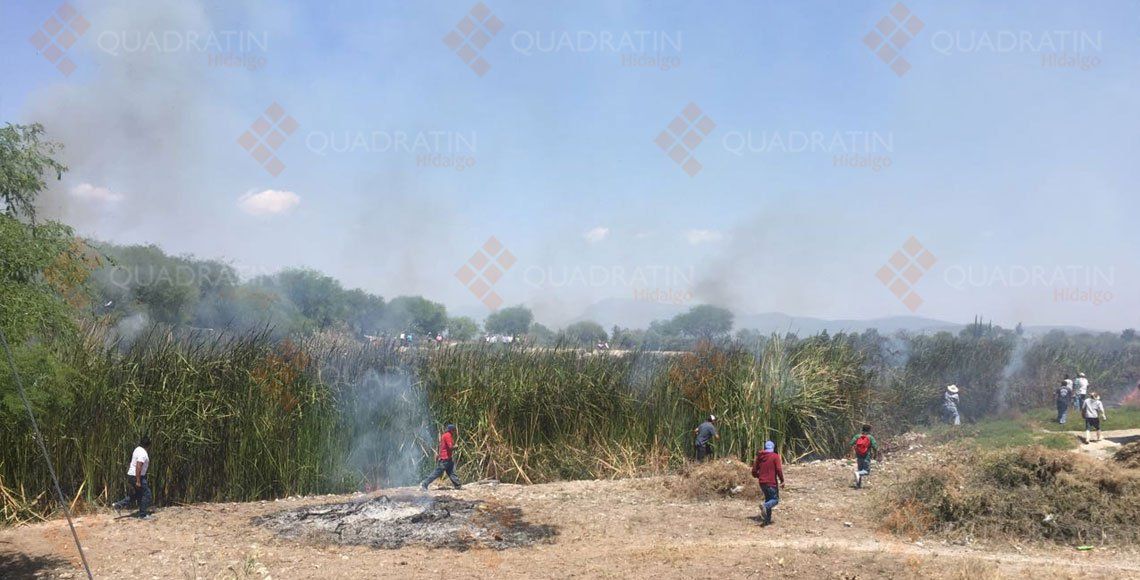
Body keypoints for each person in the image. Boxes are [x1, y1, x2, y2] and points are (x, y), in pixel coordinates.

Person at [112, 435, 152, 519]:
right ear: (148, 445)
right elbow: (138, 466)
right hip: (137, 476)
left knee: (138, 494)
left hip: (131, 475)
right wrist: (138, 480)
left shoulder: (137, 449)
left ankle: (118, 505)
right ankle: (143, 515)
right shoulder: (143, 453)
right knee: (146, 494)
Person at [750, 440, 784, 526]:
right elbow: (779, 469)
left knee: (768, 499)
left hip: (762, 483)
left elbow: (754, 470)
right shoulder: (775, 456)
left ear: (765, 448)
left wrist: (759, 476)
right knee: (775, 500)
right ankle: (764, 506)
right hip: (771, 482)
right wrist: (782, 480)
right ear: (772, 448)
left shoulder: (759, 457)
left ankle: (767, 520)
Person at [420, 424, 462, 490]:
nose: (454, 432)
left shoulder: (445, 435)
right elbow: (450, 447)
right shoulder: (448, 436)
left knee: (451, 472)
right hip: (445, 458)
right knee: (437, 473)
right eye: (454, 430)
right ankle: (424, 484)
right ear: (452, 430)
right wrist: (456, 446)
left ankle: (458, 485)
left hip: (447, 458)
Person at [850, 424, 878, 489]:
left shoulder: (857, 436)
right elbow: (875, 447)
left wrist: (855, 448)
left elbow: (851, 443)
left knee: (860, 469)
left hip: (859, 455)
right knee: (866, 471)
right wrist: (875, 454)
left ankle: (858, 485)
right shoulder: (870, 437)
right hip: (866, 456)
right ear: (869, 430)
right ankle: (858, 473)